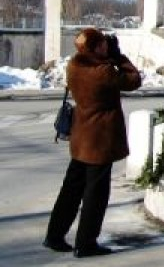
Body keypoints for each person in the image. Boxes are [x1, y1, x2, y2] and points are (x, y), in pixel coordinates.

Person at [45, 28, 142, 257]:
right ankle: (85, 243)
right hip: (99, 141)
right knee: (95, 195)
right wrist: (119, 57)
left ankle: (54, 235)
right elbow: (133, 80)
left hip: (81, 139)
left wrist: (107, 55)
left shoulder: (74, 66)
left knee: (71, 189)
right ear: (96, 47)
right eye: (102, 44)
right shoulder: (103, 71)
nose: (106, 46)